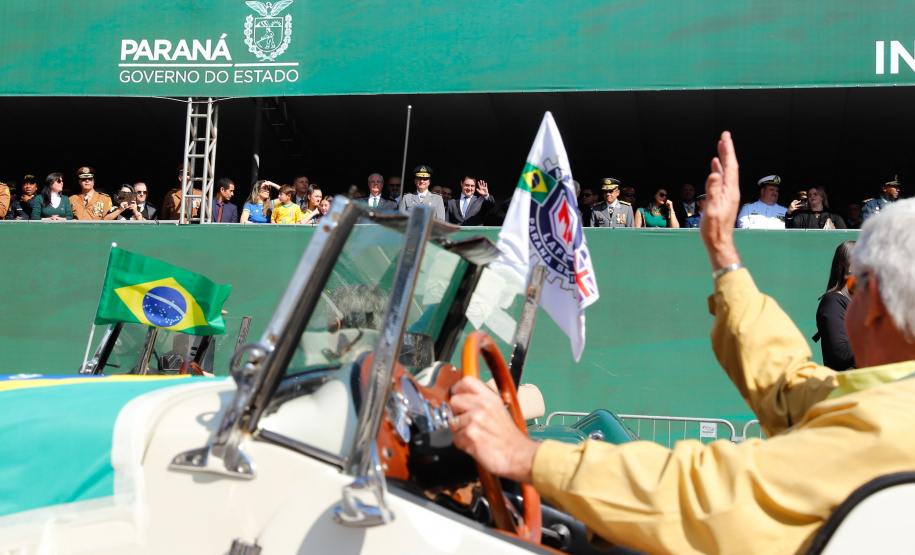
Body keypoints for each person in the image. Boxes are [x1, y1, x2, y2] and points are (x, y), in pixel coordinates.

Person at [450, 131, 915, 554]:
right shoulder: (884, 400)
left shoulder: (880, 428)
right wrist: (723, 252)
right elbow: (790, 386)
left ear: (872, 303)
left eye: (852, 287)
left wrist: (524, 454)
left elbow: (703, 497)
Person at [813, 241, 856, 370]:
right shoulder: (833, 302)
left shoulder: (862, 304)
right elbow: (840, 352)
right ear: (846, 264)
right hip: (848, 386)